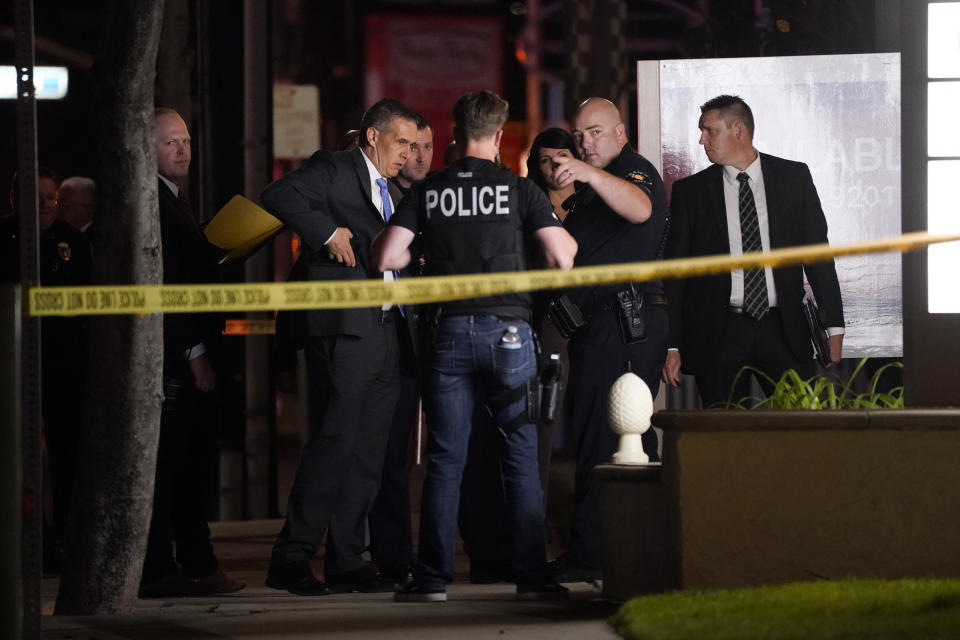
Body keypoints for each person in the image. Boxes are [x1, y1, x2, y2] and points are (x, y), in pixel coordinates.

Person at [374, 89, 578, 602]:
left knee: (447, 458)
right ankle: (531, 577)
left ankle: (432, 580)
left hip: (447, 336)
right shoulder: (517, 190)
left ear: (453, 133)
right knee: (520, 454)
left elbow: (388, 255)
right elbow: (562, 256)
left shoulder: (431, 190)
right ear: (500, 136)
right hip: (510, 335)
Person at [262, 98, 418, 596]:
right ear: (372, 137)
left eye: (414, 145)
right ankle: (291, 557)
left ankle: (348, 559)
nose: (408, 154)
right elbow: (279, 194)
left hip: (389, 330)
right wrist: (327, 232)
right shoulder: (335, 168)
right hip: (346, 331)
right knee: (334, 444)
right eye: (401, 143)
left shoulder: (392, 190)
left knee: (369, 453)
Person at [547, 97, 670, 583]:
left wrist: (587, 171)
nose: (585, 143)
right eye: (579, 135)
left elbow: (641, 210)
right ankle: (635, 545)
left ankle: (595, 554)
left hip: (625, 326)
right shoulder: (590, 191)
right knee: (615, 436)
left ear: (621, 133)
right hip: (598, 329)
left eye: (595, 132)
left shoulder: (635, 173)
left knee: (611, 435)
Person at [662, 94, 844, 407]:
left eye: (710, 131)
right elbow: (676, 273)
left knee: (799, 429)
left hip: (784, 329)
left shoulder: (794, 178)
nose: (702, 139)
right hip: (720, 333)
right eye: (701, 131)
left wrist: (834, 325)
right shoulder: (690, 192)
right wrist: (672, 344)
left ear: (738, 131)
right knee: (726, 436)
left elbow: (818, 256)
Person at [140, 107, 245, 597]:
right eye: (170, 143)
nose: (182, 150)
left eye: (185, 140)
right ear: (148, 151)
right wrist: (195, 352)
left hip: (188, 355)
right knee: (178, 467)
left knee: (190, 467)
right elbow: (168, 286)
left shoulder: (176, 199)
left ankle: (190, 562)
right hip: (180, 362)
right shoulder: (155, 206)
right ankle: (169, 566)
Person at [7, 167, 92, 572]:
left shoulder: (70, 241)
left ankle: (62, 542)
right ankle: (28, 541)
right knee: (19, 457)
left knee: (67, 457)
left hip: (63, 366)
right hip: (15, 363)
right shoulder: (6, 238)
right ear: (16, 199)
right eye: (37, 197)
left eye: (50, 197)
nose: (45, 204)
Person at [365, 112, 435, 586]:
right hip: (386, 338)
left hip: (430, 341)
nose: (418, 155)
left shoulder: (435, 201)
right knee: (387, 455)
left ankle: (414, 553)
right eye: (410, 145)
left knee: (428, 457)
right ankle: (391, 555)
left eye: (426, 147)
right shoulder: (387, 197)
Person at [525, 127, 581, 222]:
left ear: (576, 158)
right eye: (545, 160)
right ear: (538, 168)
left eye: (562, 155)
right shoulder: (530, 211)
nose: (556, 166)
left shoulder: (594, 202)